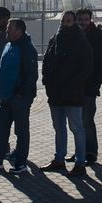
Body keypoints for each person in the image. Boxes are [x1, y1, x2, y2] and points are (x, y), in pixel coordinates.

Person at [0, 18, 38, 174]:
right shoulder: (9, 45)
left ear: (19, 31)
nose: (7, 31)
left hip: (19, 98)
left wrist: (20, 94)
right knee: (1, 128)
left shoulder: (27, 48)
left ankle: (21, 163)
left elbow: (31, 75)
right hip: (6, 96)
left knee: (21, 130)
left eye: (10, 28)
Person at [42, 11, 90, 176]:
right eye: (63, 21)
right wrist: (47, 82)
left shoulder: (80, 41)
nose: (65, 24)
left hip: (72, 93)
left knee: (76, 127)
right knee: (59, 127)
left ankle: (80, 162)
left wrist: (73, 83)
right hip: (55, 93)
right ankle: (59, 159)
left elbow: (85, 68)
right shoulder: (54, 39)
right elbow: (47, 62)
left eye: (69, 21)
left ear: (74, 22)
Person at [78, 8, 102, 165]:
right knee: (76, 122)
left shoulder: (98, 37)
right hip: (74, 88)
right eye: (80, 19)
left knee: (86, 120)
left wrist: (95, 82)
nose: (83, 22)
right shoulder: (73, 35)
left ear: (90, 19)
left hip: (89, 87)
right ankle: (80, 151)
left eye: (85, 19)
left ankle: (91, 151)